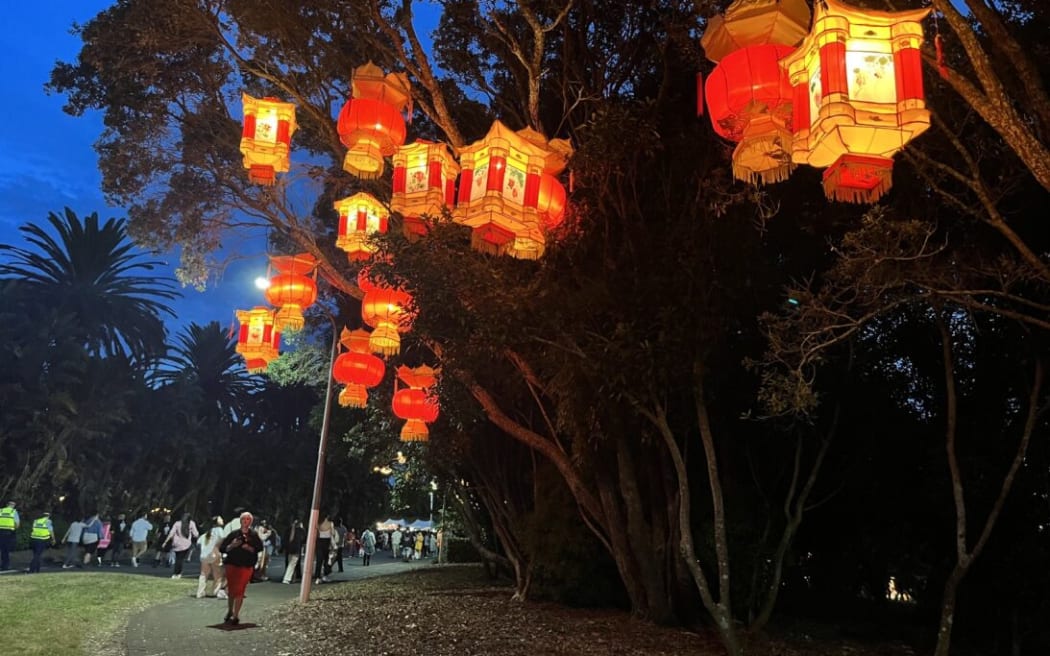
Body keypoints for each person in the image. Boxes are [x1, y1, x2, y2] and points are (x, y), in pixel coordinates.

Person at [218, 511, 265, 626]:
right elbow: (222, 548)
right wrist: (232, 545)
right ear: (240, 521)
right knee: (232, 589)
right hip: (232, 564)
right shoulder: (233, 534)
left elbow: (259, 548)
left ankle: (236, 615)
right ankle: (230, 610)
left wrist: (248, 547)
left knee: (240, 589)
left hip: (246, 566)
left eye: (248, 519)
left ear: (251, 522)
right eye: (244, 519)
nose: (245, 521)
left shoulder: (253, 535)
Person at [162, 512, 198, 579]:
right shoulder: (191, 523)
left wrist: (165, 542)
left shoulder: (177, 523)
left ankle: (175, 573)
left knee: (178, 558)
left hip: (177, 543)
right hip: (186, 544)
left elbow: (171, 533)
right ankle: (178, 573)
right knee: (181, 559)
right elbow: (196, 534)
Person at [196, 517, 224, 599]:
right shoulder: (219, 530)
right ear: (217, 522)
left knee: (203, 574)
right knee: (218, 575)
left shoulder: (206, 534)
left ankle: (200, 592)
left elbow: (198, 543)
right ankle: (215, 591)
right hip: (214, 555)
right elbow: (223, 538)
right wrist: (217, 546)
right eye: (220, 519)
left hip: (204, 556)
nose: (222, 520)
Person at [282, 519, 304, 584]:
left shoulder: (288, 530)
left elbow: (285, 539)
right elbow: (303, 539)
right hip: (296, 549)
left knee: (290, 563)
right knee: (292, 564)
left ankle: (292, 577)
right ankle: (287, 578)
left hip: (289, 548)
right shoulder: (300, 531)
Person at [314, 513, 334, 584]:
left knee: (319, 561)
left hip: (319, 542)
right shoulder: (330, 523)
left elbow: (316, 534)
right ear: (327, 516)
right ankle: (325, 576)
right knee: (326, 560)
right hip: (327, 542)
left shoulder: (318, 524)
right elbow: (332, 533)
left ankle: (317, 577)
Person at [0, 501, 20, 571]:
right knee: (7, 549)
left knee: (2, 549)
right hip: (9, 532)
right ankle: (6, 566)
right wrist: (14, 529)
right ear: (13, 506)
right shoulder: (13, 511)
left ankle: (2, 565)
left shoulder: (1, 510)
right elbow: (17, 523)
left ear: (6, 505)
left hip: (1, 531)